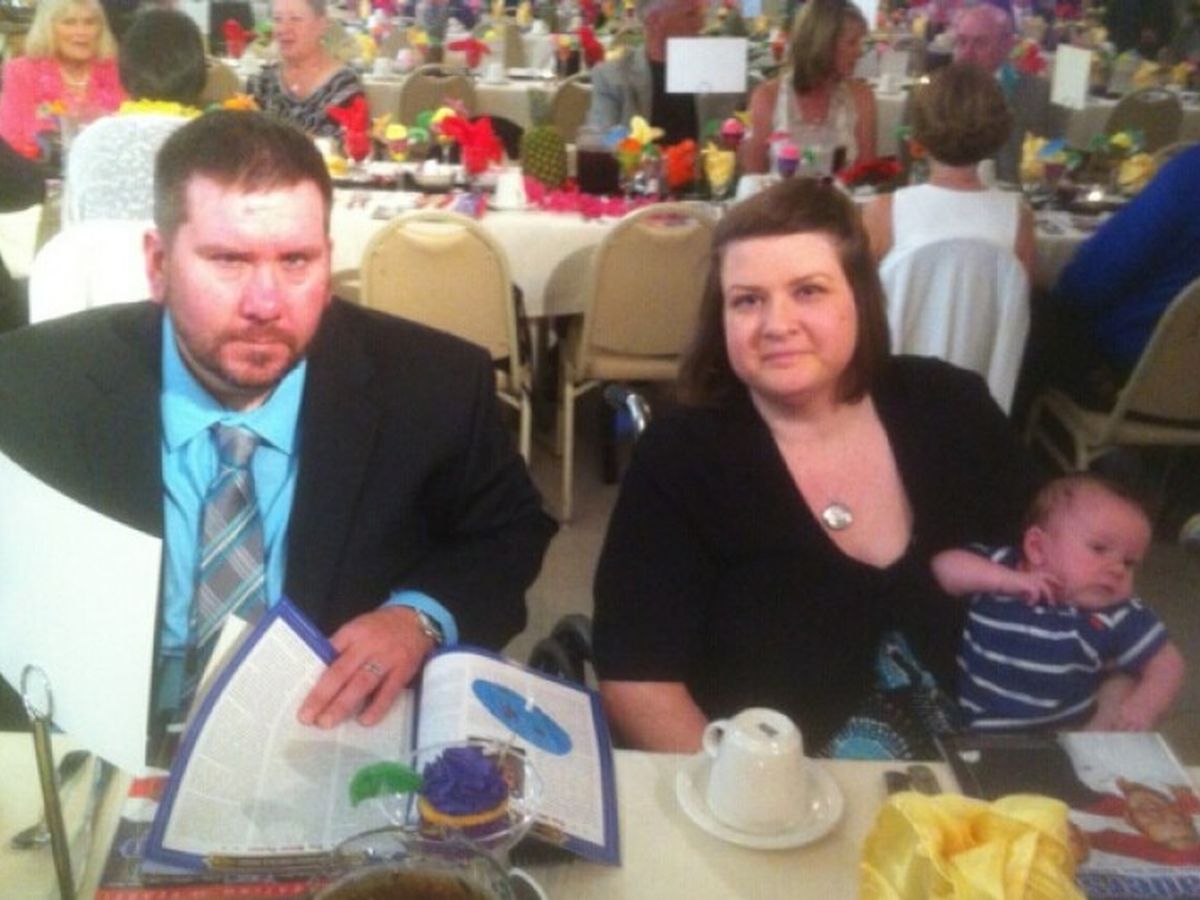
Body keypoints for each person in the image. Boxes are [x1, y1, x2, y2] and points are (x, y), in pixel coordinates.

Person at [0, 111, 556, 759]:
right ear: (158, 264)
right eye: (228, 260)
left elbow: (508, 531)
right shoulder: (30, 388)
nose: (265, 303)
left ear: (328, 260)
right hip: (83, 745)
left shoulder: (435, 384)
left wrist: (419, 617)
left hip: (325, 737)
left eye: (296, 261)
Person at [592, 177, 1036, 756]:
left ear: (859, 297)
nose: (777, 324)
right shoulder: (684, 455)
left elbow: (1062, 564)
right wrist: (743, 793)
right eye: (747, 300)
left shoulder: (951, 407)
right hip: (764, 784)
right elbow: (638, 681)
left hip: (979, 770)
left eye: (808, 291)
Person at [935, 474, 1185, 732]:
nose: (1117, 569)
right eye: (1099, 549)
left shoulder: (1119, 611)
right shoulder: (1003, 565)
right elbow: (945, 567)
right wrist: (1007, 581)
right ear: (1037, 548)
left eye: (1129, 562)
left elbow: (1168, 663)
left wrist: (1145, 705)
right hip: (980, 727)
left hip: (1070, 732)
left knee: (1118, 698)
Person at [1050, 143, 1200, 398]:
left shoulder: (1191, 174)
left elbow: (1090, 280)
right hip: (1186, 391)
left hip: (1131, 376)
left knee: (1026, 311)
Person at [862, 63, 1036, 281]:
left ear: (919, 131)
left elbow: (860, 295)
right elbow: (1018, 295)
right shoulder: (1019, 219)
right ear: (998, 133)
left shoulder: (883, 213)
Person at [64, 9, 207, 223]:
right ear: (199, 71)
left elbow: (72, 229)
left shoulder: (89, 140)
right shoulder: (215, 143)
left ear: (125, 70)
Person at [740, 0, 876, 175]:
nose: (860, 52)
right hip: (781, 193)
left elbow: (866, 176)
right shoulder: (768, 98)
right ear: (823, 44)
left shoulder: (862, 97)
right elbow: (753, 177)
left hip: (843, 194)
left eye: (860, 42)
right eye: (852, 42)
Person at [585, 0, 739, 145]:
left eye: (700, 14)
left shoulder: (712, 71)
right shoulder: (613, 76)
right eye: (690, 15)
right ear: (654, 20)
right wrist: (626, 142)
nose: (701, 24)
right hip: (638, 164)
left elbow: (729, 138)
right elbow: (601, 140)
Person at [0, 0, 124, 161]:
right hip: (39, 169)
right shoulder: (20, 71)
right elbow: (11, 138)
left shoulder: (119, 71)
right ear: (48, 28)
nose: (82, 32)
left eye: (90, 23)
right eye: (69, 23)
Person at [952, 3, 1053, 184]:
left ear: (1007, 45)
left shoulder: (1036, 93)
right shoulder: (938, 91)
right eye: (961, 41)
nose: (967, 53)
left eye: (980, 43)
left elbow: (1050, 156)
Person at [249, 0, 365, 138]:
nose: (283, 29)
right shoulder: (261, 83)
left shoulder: (343, 86)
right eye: (277, 19)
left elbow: (350, 145)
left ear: (321, 25)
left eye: (295, 19)